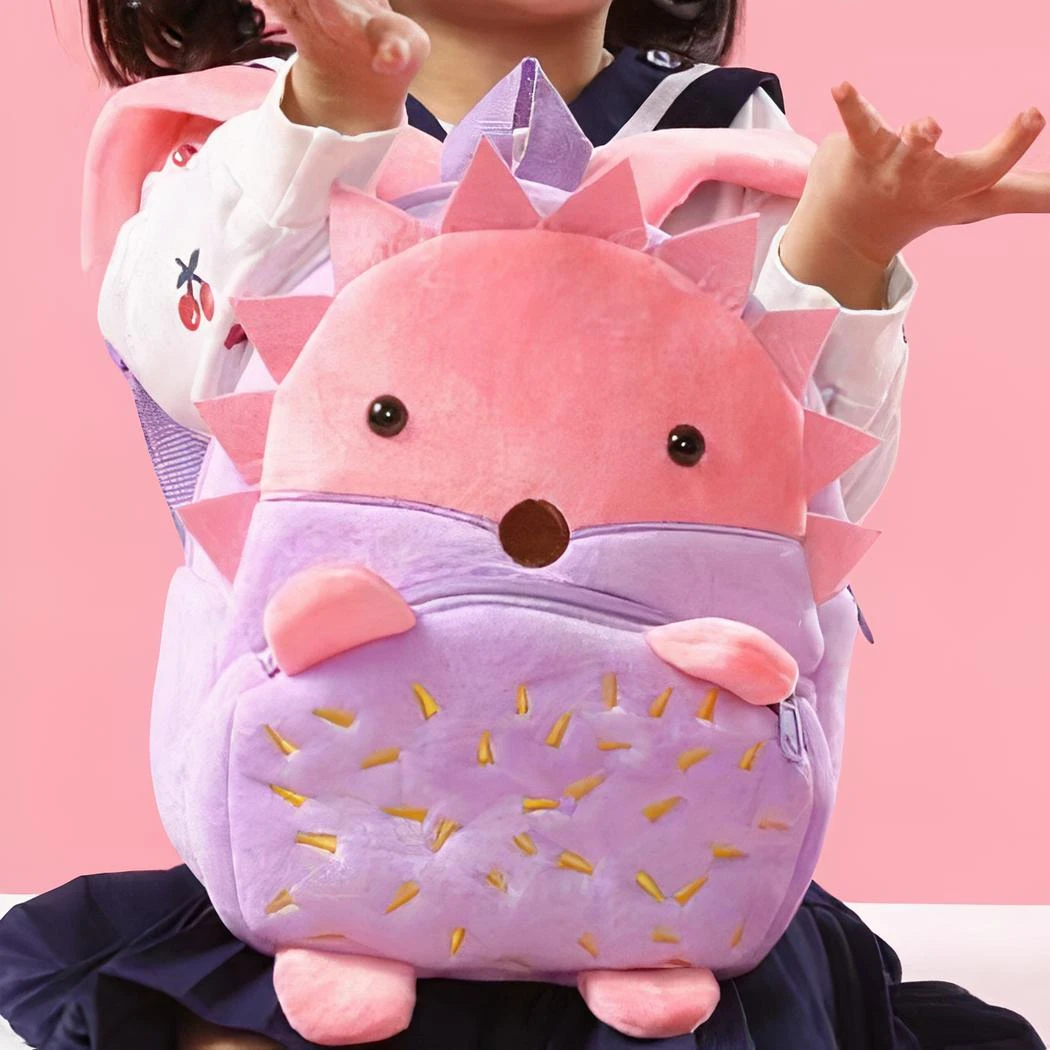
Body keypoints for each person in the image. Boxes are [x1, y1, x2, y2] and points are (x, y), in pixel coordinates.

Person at [0, 1, 1046, 1047]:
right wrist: (328, 115)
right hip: (334, 835)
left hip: (650, 843)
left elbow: (808, 499)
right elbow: (184, 363)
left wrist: (847, 248)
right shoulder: (255, 130)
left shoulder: (734, 144)